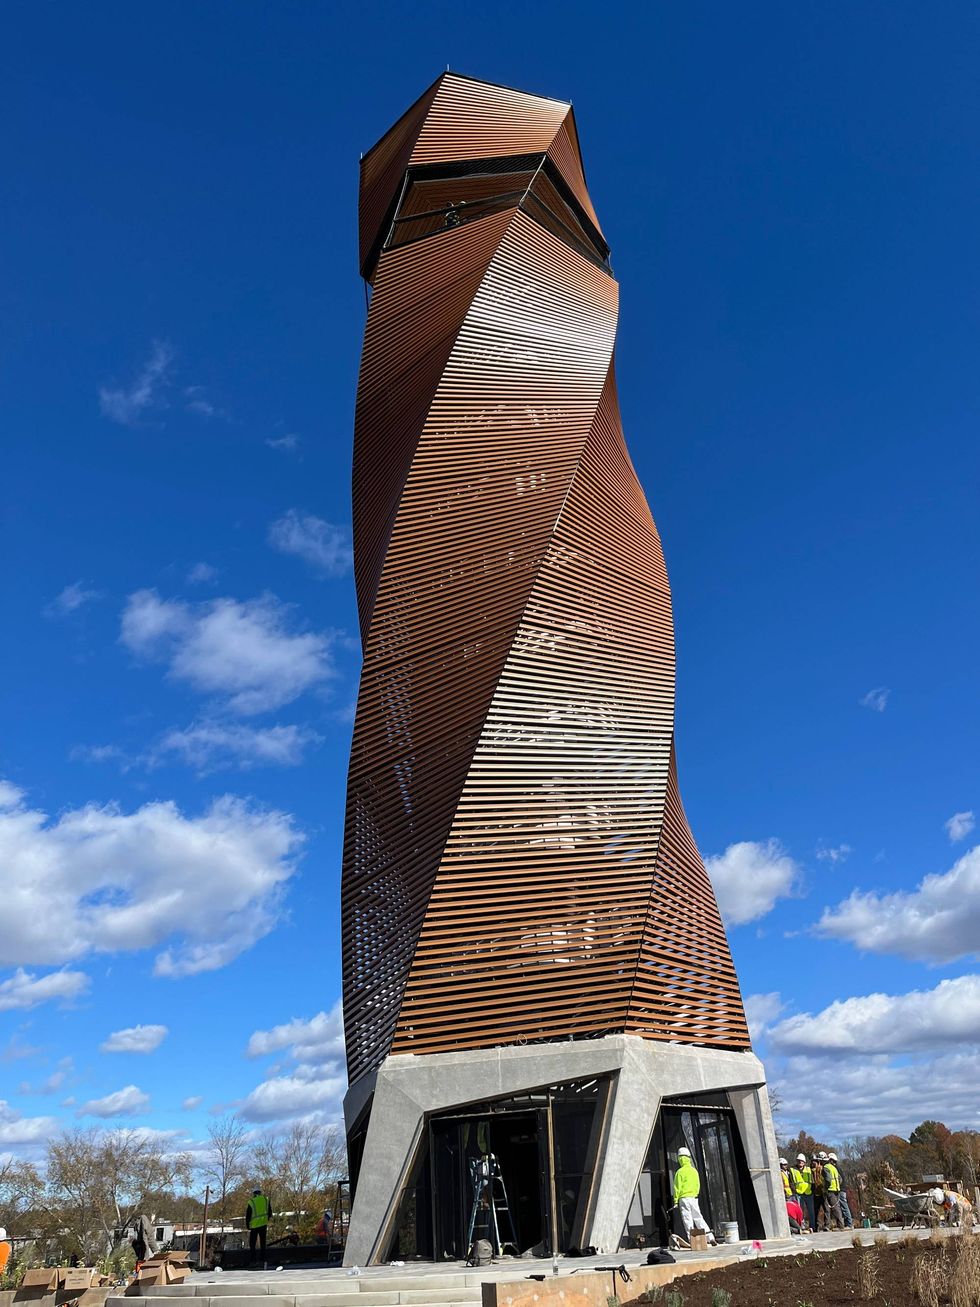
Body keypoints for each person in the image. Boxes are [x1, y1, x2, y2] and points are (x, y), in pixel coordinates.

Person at [672, 1147, 716, 1245]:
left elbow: (677, 1188)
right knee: (698, 1217)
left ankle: (692, 1241)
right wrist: (695, 1194)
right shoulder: (694, 1171)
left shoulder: (679, 1172)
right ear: (689, 1158)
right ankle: (710, 1237)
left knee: (688, 1220)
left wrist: (675, 1201)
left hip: (683, 1198)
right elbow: (697, 1185)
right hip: (693, 1198)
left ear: (680, 1158)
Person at [246, 1186, 272, 1264]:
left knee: (252, 1243)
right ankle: (262, 1258)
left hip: (254, 1226)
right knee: (263, 1242)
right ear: (260, 1192)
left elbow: (248, 1215)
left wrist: (248, 1225)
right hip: (263, 1224)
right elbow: (270, 1212)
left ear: (254, 1193)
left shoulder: (251, 1202)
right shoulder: (265, 1199)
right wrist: (266, 1219)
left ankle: (253, 1259)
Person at [827, 1153, 853, 1228]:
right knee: (843, 1206)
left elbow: (840, 1180)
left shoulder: (835, 1168)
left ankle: (849, 1223)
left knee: (843, 1206)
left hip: (840, 1189)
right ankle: (847, 1222)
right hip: (841, 1189)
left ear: (831, 1160)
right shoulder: (837, 1168)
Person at [822, 1154, 845, 1231]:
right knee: (836, 1207)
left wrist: (825, 1188)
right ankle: (838, 1225)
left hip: (830, 1190)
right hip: (836, 1190)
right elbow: (840, 1179)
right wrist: (837, 1186)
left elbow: (828, 1179)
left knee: (831, 1208)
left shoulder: (826, 1168)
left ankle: (838, 1225)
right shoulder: (833, 1168)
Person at [794, 1153, 815, 1232]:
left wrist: (812, 1190)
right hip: (799, 1193)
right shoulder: (793, 1170)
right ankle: (801, 1227)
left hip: (808, 1193)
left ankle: (813, 1227)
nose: (800, 1162)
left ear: (804, 1162)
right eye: (799, 1161)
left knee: (811, 1211)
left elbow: (812, 1181)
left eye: (802, 1161)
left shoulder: (808, 1169)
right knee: (800, 1212)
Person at [811, 1153, 826, 1232]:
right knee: (815, 1211)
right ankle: (816, 1226)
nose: (813, 1163)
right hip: (815, 1193)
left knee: (826, 1210)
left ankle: (827, 1225)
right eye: (812, 1161)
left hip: (822, 1192)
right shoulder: (811, 1171)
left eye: (815, 1161)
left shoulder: (822, 1169)